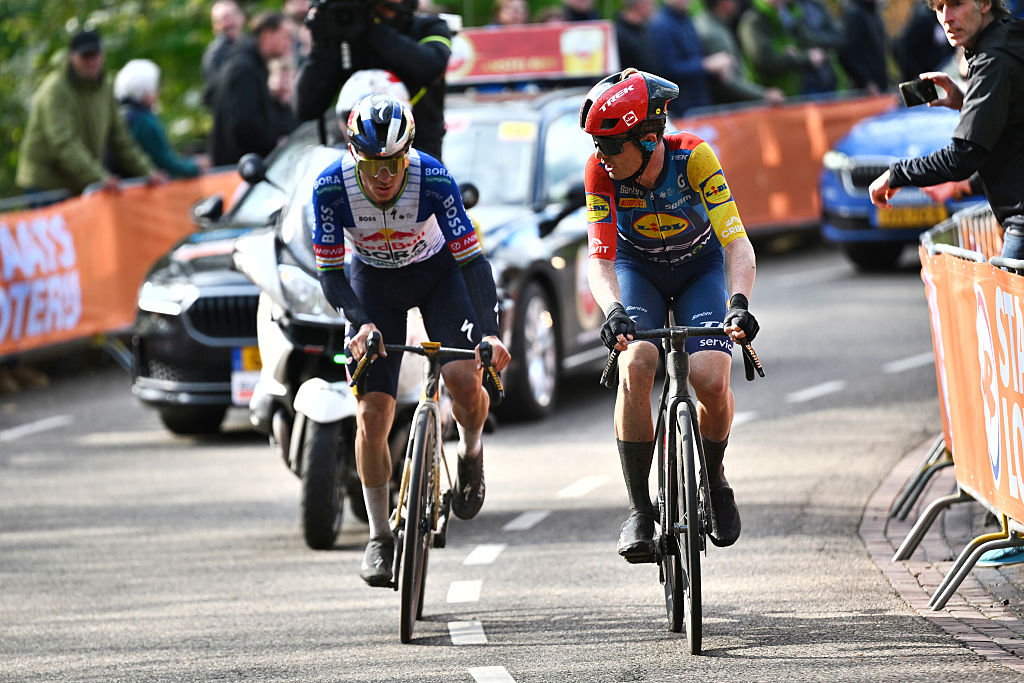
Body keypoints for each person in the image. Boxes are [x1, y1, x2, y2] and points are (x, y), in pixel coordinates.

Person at [311, 95, 511, 586]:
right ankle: (380, 536)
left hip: (438, 276)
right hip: (372, 285)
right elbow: (330, 273)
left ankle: (470, 452)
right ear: (354, 155)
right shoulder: (331, 188)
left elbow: (473, 262)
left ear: (409, 154)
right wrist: (360, 323)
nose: (384, 176)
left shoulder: (434, 179)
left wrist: (490, 332)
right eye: (372, 164)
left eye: (395, 163)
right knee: (370, 415)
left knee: (464, 381)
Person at [579, 69, 758, 560]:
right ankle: (640, 509)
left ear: (647, 137)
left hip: (700, 268)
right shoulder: (600, 173)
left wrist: (739, 303)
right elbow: (600, 258)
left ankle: (714, 478)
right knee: (636, 364)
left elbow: (735, 242)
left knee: (711, 379)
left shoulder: (694, 157)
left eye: (611, 144)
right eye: (596, 144)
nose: (602, 155)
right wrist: (613, 309)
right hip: (638, 270)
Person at [868, 0, 1024, 260]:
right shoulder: (1009, 39)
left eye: (956, 4)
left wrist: (897, 174)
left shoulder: (993, 58)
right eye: (939, 8)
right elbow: (1013, 133)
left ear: (985, 3)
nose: (947, 17)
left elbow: (963, 156)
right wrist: (966, 102)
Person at [294, 0, 452, 160]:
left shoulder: (429, 27)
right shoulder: (347, 34)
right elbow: (307, 108)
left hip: (418, 157)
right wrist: (322, 44)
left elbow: (431, 65)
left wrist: (370, 29)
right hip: (354, 160)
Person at [16, 29, 165, 195]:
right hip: (47, 185)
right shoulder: (54, 90)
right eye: (85, 56)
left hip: (79, 182)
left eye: (95, 55)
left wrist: (148, 171)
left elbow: (120, 139)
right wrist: (99, 177)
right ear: (71, 57)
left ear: (103, 56)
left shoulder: (105, 88)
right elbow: (63, 142)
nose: (91, 61)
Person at [208, 11, 297, 166]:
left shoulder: (247, 63)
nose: (289, 42)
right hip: (240, 167)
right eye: (286, 36)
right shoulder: (244, 68)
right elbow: (245, 124)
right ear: (268, 34)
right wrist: (275, 144)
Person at [113, 59, 209, 178]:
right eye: (154, 87)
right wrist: (195, 166)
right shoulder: (144, 121)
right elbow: (165, 163)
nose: (157, 92)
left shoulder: (121, 115)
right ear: (144, 89)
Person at [648, 0, 735, 118]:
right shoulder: (661, 25)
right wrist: (707, 65)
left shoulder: (686, 19)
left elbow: (696, 54)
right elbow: (669, 69)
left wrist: (717, 67)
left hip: (700, 103)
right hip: (681, 109)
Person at [694, 0, 785, 105]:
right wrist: (764, 94)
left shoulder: (709, 23)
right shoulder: (713, 33)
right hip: (725, 105)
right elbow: (729, 80)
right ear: (724, 3)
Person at [737, 0, 831, 97]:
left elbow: (807, 40)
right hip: (769, 94)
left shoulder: (788, 12)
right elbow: (765, 60)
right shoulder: (754, 19)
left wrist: (802, 54)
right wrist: (800, 57)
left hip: (795, 87)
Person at [837, 0, 889, 94]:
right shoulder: (854, 14)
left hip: (880, 84)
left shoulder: (873, 14)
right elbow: (846, 52)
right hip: (865, 89)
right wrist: (866, 82)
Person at [201, 0, 247, 107]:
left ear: (242, 17)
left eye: (232, 16)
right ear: (214, 26)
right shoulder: (215, 55)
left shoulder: (251, 46)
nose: (229, 23)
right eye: (222, 19)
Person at [614, 0, 663, 76]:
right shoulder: (620, 35)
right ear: (639, 5)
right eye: (651, 4)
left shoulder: (642, 29)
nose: (654, 8)